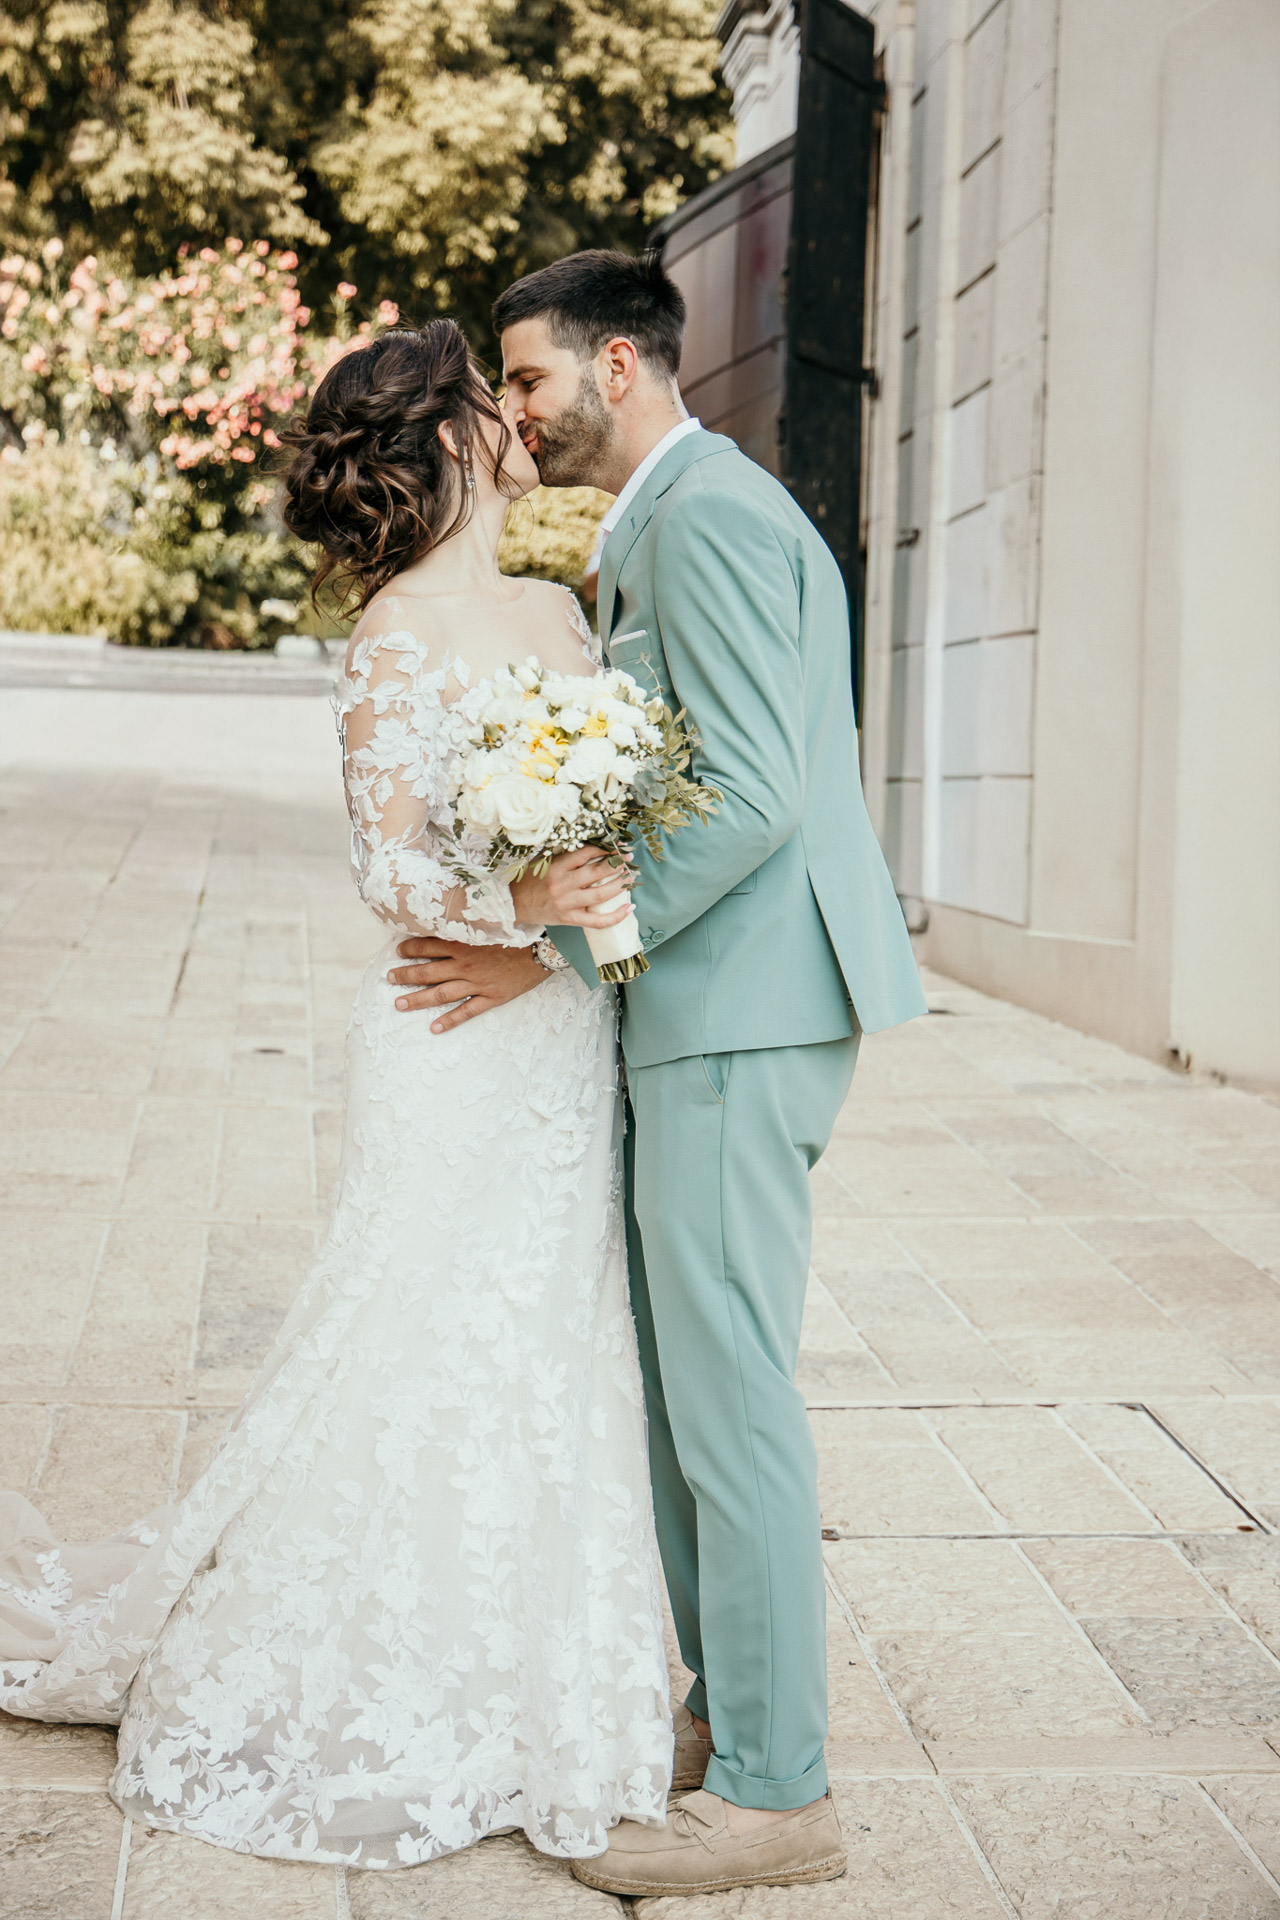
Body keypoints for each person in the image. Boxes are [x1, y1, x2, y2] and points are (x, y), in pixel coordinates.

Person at [0, 321, 673, 1870]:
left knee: (550, 1334)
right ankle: (371, 1664)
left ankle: (532, 1665)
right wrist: (524, 912)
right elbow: (392, 871)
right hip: (447, 1037)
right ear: (445, 439)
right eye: (490, 397)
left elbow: (616, 821)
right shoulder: (391, 637)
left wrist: (567, 930)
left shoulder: (561, 609)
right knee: (410, 1322)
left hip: (553, 1042)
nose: (515, 415)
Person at [388, 250, 927, 1898]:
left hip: (744, 1008)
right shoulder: (678, 515)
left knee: (731, 1397)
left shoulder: (707, 519)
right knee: (690, 1391)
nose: (519, 409)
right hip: (706, 1006)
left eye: (531, 378)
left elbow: (752, 791)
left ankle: (778, 1793)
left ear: (616, 364)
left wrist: (556, 952)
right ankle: (723, 1720)